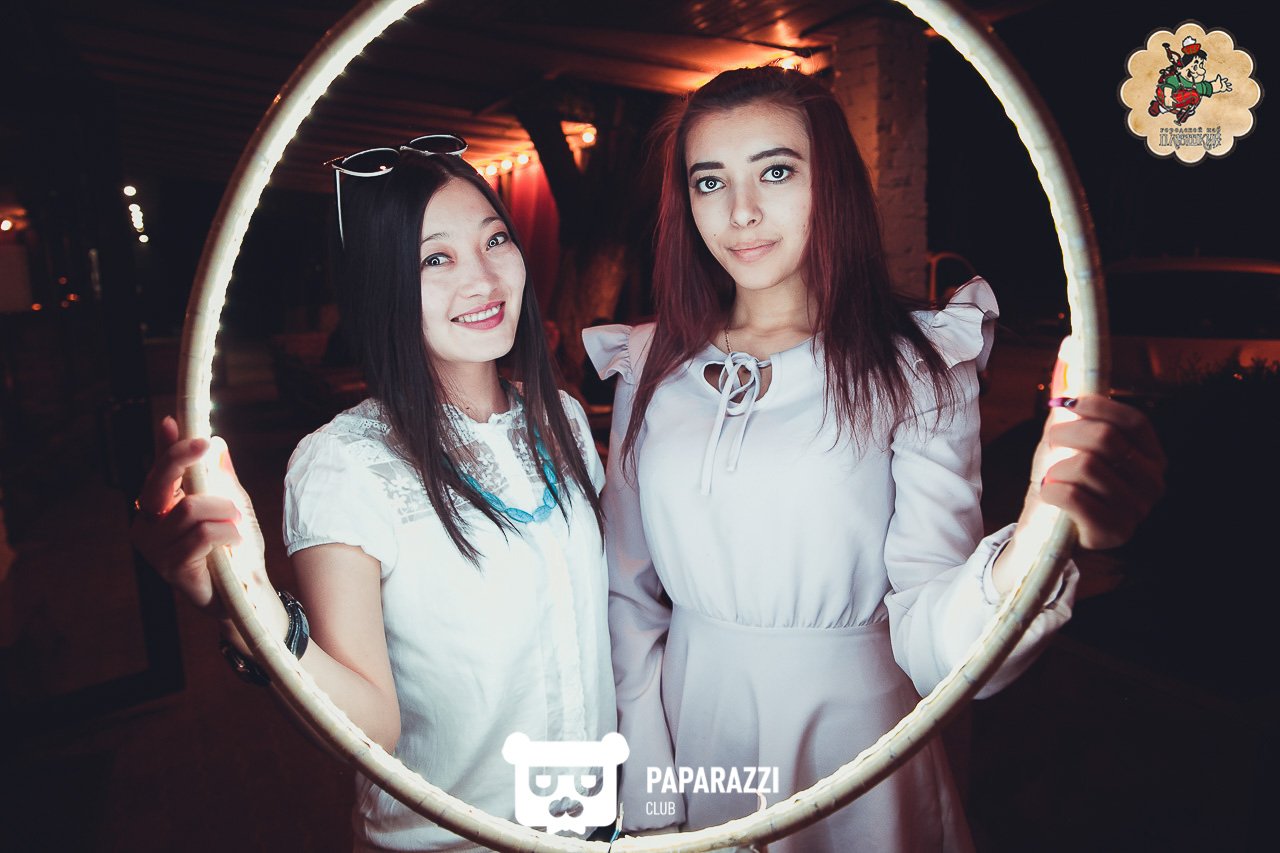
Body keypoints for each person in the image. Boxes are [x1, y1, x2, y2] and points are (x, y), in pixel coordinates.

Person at [583, 67, 1165, 851]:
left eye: (776, 172)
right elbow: (627, 598)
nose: (740, 210)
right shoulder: (652, 364)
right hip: (694, 727)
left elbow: (940, 641)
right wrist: (651, 790)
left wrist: (1039, 530)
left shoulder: (915, 364)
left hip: (852, 745)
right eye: (709, 181)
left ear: (834, 185)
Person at [133, 140, 615, 852]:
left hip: (595, 828)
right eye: (435, 259)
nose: (483, 278)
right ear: (380, 283)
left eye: (495, 240)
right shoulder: (346, 463)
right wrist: (248, 602)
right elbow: (370, 728)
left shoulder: (563, 420)